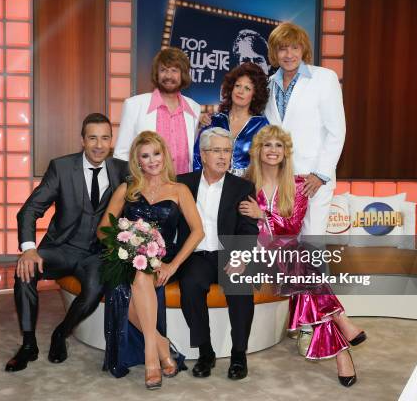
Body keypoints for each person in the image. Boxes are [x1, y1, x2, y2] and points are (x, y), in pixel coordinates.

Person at [239, 125, 367, 387]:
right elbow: (241, 226)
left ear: (286, 152)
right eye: (267, 145)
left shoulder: (298, 185)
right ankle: (343, 321)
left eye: (278, 146)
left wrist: (262, 215)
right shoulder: (244, 184)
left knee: (304, 276)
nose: (273, 151)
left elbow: (291, 226)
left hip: (288, 256)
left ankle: (342, 354)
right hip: (258, 257)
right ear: (258, 150)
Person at [5, 113, 129, 372]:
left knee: (95, 290)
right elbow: (29, 210)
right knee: (24, 273)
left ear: (111, 141)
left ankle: (61, 334)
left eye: (104, 138)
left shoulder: (122, 170)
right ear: (82, 140)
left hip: (96, 253)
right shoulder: (61, 167)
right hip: (60, 248)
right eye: (92, 138)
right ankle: (28, 344)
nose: (98, 144)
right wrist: (28, 250)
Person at [98, 131, 204, 389]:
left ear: (164, 155)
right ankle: (155, 351)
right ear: (138, 161)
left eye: (156, 153)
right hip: (127, 256)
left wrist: (173, 265)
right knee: (138, 273)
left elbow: (199, 231)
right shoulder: (127, 188)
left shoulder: (179, 189)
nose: (152, 160)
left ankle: (157, 348)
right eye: (145, 156)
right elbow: (103, 229)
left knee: (142, 274)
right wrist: (125, 245)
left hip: (165, 259)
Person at [177, 127, 259, 381]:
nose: (223, 156)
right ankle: (205, 352)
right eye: (216, 151)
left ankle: (238, 354)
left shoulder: (242, 186)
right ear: (203, 154)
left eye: (227, 151)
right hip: (197, 254)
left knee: (241, 288)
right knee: (190, 286)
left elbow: (248, 228)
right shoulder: (183, 183)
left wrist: (241, 258)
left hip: (230, 253)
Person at [264, 22, 346, 237]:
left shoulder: (325, 78)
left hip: (313, 178)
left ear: (303, 50)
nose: (289, 54)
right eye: (282, 48)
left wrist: (321, 174)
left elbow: (337, 131)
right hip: (279, 178)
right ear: (274, 52)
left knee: (311, 245)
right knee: (283, 244)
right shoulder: (268, 85)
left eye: (294, 47)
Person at [113, 47, 201, 175]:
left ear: (183, 75)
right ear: (156, 74)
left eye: (174, 70)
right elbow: (121, 154)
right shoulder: (134, 105)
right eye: (163, 70)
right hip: (146, 186)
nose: (169, 76)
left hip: (184, 186)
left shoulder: (194, 108)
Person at [193, 62, 269, 177]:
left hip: (246, 188)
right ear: (231, 88)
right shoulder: (213, 121)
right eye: (237, 86)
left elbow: (266, 165)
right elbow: (198, 156)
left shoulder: (261, 125)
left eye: (247, 88)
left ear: (254, 95)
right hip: (212, 186)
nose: (240, 91)